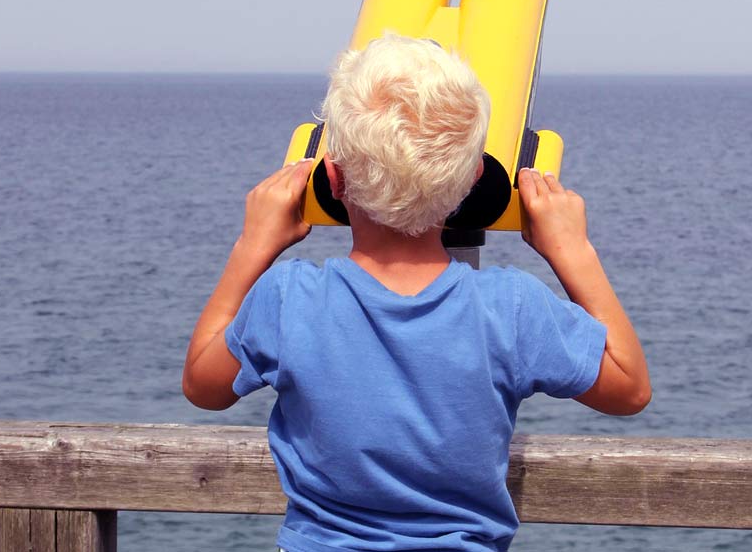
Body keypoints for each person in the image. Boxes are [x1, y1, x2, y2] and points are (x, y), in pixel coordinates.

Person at [182, 34, 650, 552]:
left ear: (333, 180)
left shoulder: (289, 299)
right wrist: (572, 250)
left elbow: (204, 385)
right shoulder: (511, 308)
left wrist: (253, 245)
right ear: (473, 180)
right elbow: (629, 388)